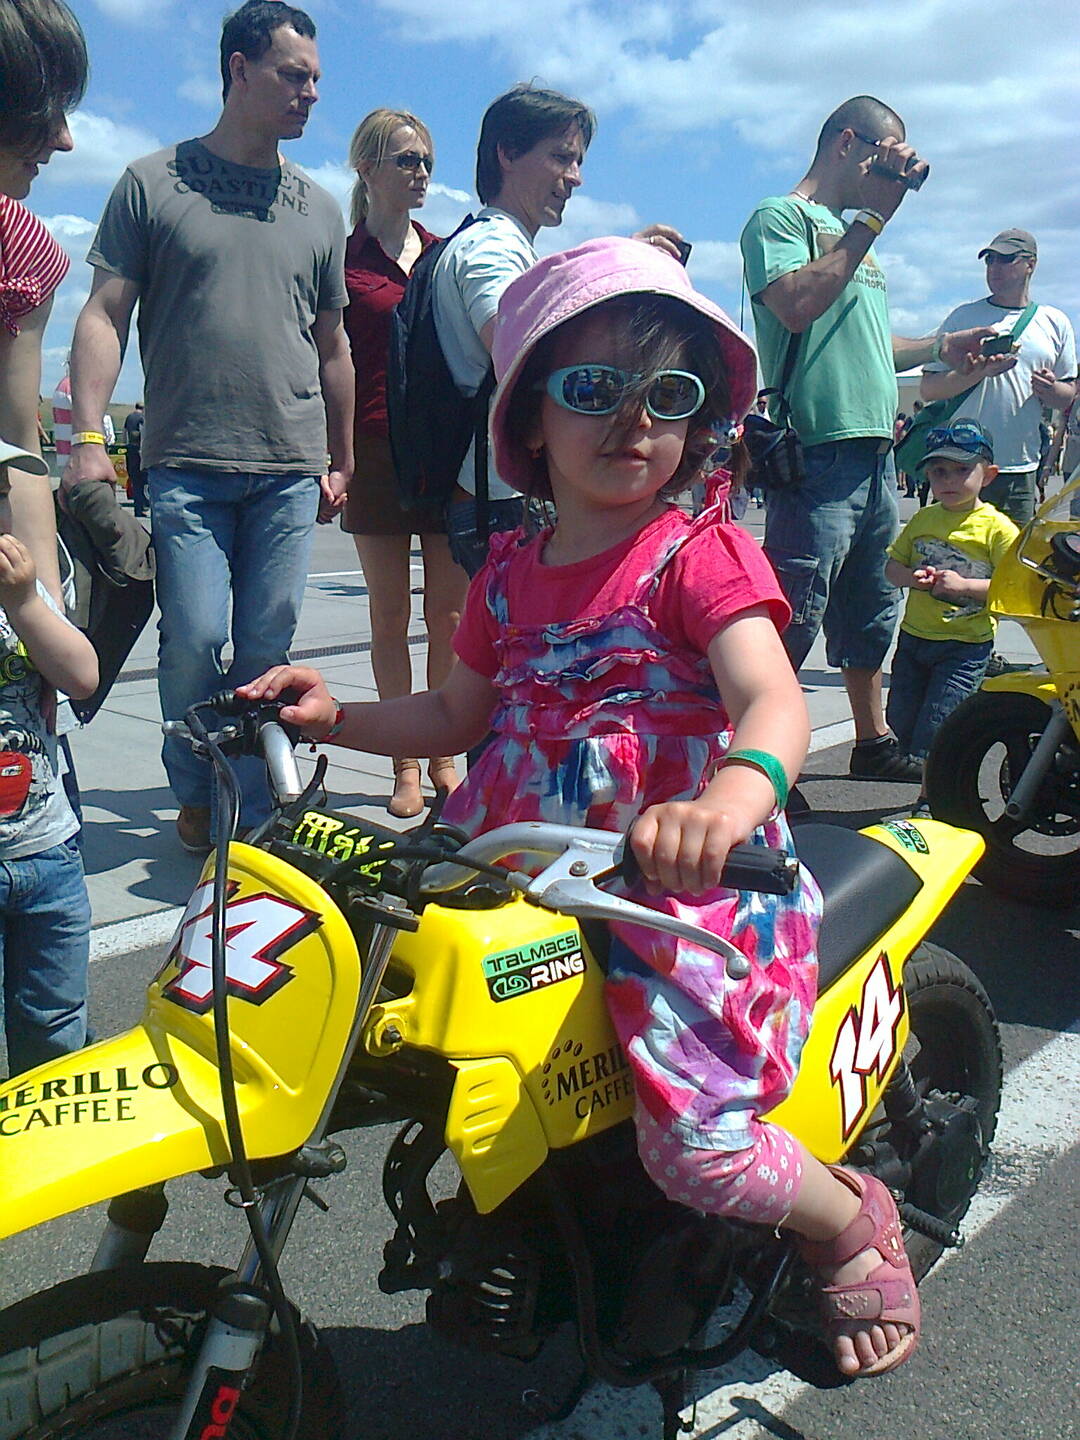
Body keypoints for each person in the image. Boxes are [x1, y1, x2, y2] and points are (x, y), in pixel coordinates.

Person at [240, 236, 923, 1379]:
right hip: (522, 867)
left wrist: (728, 799)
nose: (633, 420)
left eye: (670, 394)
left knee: (700, 1148)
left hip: (680, 886)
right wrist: (335, 718)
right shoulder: (509, 572)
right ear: (530, 419)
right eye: (596, 388)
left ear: (700, 425)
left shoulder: (698, 556)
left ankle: (849, 1217)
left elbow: (770, 700)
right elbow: (455, 713)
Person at [63, 0, 354, 854]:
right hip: (186, 460)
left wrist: (343, 457)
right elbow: (104, 314)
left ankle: (252, 806)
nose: (310, 93)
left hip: (288, 463)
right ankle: (194, 785)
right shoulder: (152, 182)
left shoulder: (319, 208)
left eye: (316, 79)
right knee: (191, 639)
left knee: (266, 645)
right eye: (293, 75)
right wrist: (88, 438)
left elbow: (334, 347)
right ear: (238, 69)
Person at [739, 95, 993, 784]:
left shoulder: (855, 236)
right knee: (793, 614)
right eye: (889, 159)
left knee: (870, 611)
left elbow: (873, 341)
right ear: (847, 143)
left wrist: (940, 345)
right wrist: (872, 221)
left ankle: (871, 739)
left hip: (875, 454)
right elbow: (795, 306)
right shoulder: (780, 217)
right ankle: (755, 765)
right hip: (818, 450)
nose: (898, 177)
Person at [433, 83, 682, 577]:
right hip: (501, 502)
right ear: (507, 153)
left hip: (494, 496)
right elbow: (522, 351)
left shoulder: (496, 245)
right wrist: (615, 270)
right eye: (561, 157)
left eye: (578, 161)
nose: (576, 177)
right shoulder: (492, 250)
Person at [342, 108, 466, 817]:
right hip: (374, 450)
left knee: (447, 615)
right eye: (406, 160)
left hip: (442, 452)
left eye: (426, 162)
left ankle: (445, 754)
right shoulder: (344, 260)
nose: (421, 174)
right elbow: (325, 360)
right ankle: (405, 764)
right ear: (367, 168)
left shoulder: (446, 255)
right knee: (388, 615)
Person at [0, 439, 98, 1077]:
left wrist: (26, 604)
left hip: (47, 851)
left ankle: (51, 1131)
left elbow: (82, 677)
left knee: (57, 1025)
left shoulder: (21, 592)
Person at [0, 0, 87, 604]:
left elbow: (16, 448)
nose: (65, 139)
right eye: (42, 107)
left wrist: (44, 613)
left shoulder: (21, 250)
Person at [884, 418, 1018, 807]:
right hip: (915, 638)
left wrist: (965, 587)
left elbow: (1013, 588)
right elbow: (892, 567)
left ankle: (932, 798)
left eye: (961, 470)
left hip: (965, 645)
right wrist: (911, 577)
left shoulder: (997, 528)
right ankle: (935, 781)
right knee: (902, 718)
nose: (949, 480)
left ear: (988, 475)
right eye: (939, 471)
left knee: (938, 726)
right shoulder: (924, 519)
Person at [921, 230, 1076, 529]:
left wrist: (1050, 389)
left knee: (1012, 556)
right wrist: (977, 372)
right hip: (962, 465)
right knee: (958, 552)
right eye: (989, 260)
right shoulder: (963, 318)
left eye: (1005, 259)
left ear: (1030, 264)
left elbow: (1067, 395)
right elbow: (929, 388)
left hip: (1020, 467)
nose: (994, 267)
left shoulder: (1055, 322)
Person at [122, 401, 145, 515]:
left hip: (130, 449)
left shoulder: (129, 417)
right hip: (139, 451)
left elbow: (124, 433)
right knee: (142, 480)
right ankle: (141, 506)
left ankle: (137, 507)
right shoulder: (142, 418)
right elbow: (143, 433)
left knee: (134, 480)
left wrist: (125, 445)